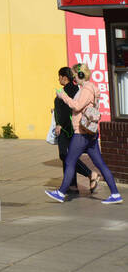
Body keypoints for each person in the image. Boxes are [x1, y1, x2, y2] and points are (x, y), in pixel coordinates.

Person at [45, 69, 122, 204]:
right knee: (100, 164)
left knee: (69, 161)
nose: (74, 78)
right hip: (90, 133)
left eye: (75, 75)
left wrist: (63, 96)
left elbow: (77, 106)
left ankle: (61, 193)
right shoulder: (89, 88)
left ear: (81, 76)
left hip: (82, 133)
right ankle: (115, 194)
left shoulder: (86, 89)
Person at [52, 66, 97, 194]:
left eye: (59, 76)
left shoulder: (68, 90)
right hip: (69, 127)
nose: (58, 79)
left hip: (67, 129)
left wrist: (60, 124)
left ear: (64, 77)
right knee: (69, 155)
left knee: (65, 155)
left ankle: (89, 174)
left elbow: (69, 108)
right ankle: (72, 185)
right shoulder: (73, 89)